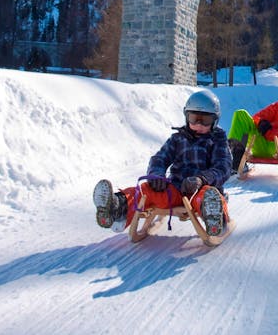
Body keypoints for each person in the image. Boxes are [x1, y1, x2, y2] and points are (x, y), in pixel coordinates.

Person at [92, 90, 232, 237]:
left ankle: (215, 218)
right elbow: (160, 158)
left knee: (208, 197)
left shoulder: (218, 140)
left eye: (205, 120)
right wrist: (156, 175)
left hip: (202, 189)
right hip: (176, 189)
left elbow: (223, 167)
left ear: (215, 120)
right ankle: (116, 207)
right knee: (145, 191)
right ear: (186, 117)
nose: (199, 124)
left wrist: (202, 179)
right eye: (194, 119)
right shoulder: (178, 139)